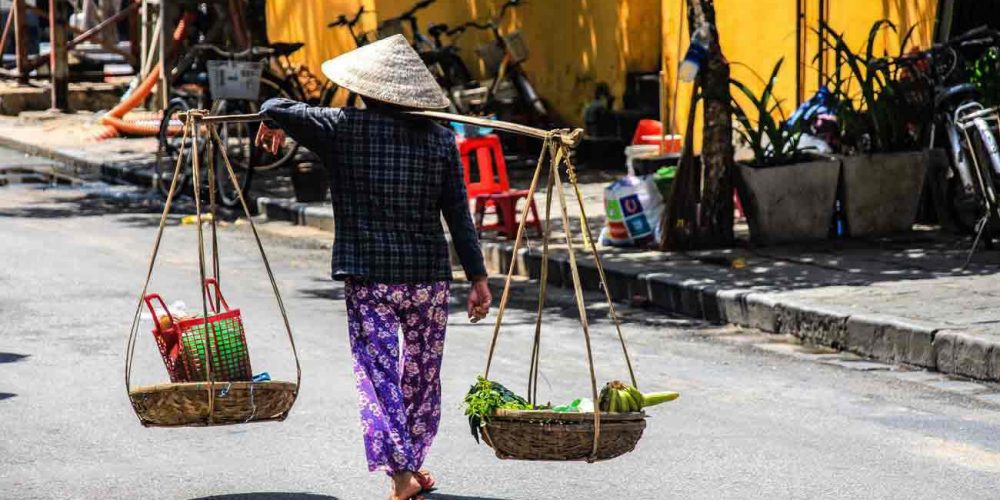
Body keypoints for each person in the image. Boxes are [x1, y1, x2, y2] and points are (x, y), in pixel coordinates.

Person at [255, 35, 491, 500]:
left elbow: (275, 101)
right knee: (422, 375)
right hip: (427, 280)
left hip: (370, 278)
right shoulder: (441, 138)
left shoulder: (341, 127)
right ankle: (410, 463)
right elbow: (458, 215)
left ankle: (403, 471)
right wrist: (478, 277)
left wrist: (270, 119)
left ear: (363, 90)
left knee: (378, 375)